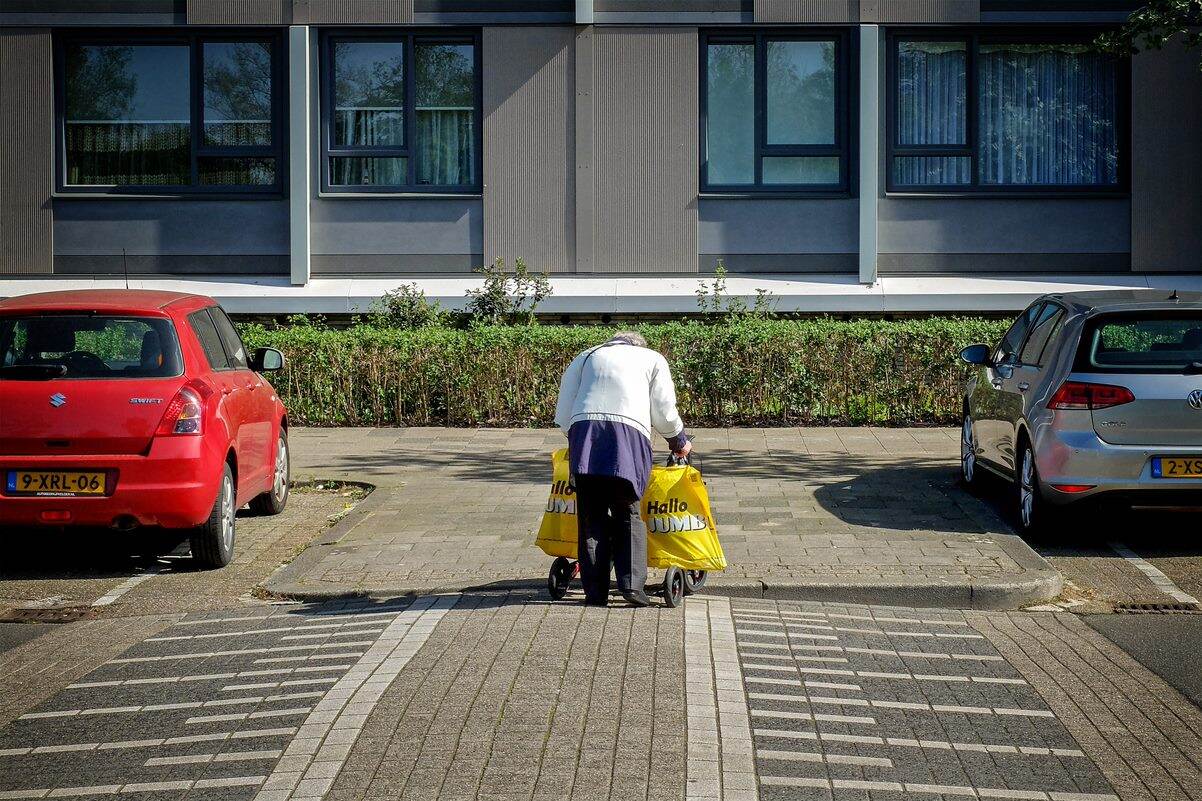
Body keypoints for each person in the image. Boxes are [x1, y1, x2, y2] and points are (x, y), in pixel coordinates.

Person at [554, 331, 692, 607]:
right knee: (627, 511)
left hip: (585, 434)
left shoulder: (586, 356)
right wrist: (679, 440)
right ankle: (631, 587)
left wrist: (578, 435)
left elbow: (563, 411)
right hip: (627, 436)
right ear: (637, 344)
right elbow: (664, 412)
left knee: (591, 516)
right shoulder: (652, 358)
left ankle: (595, 592)